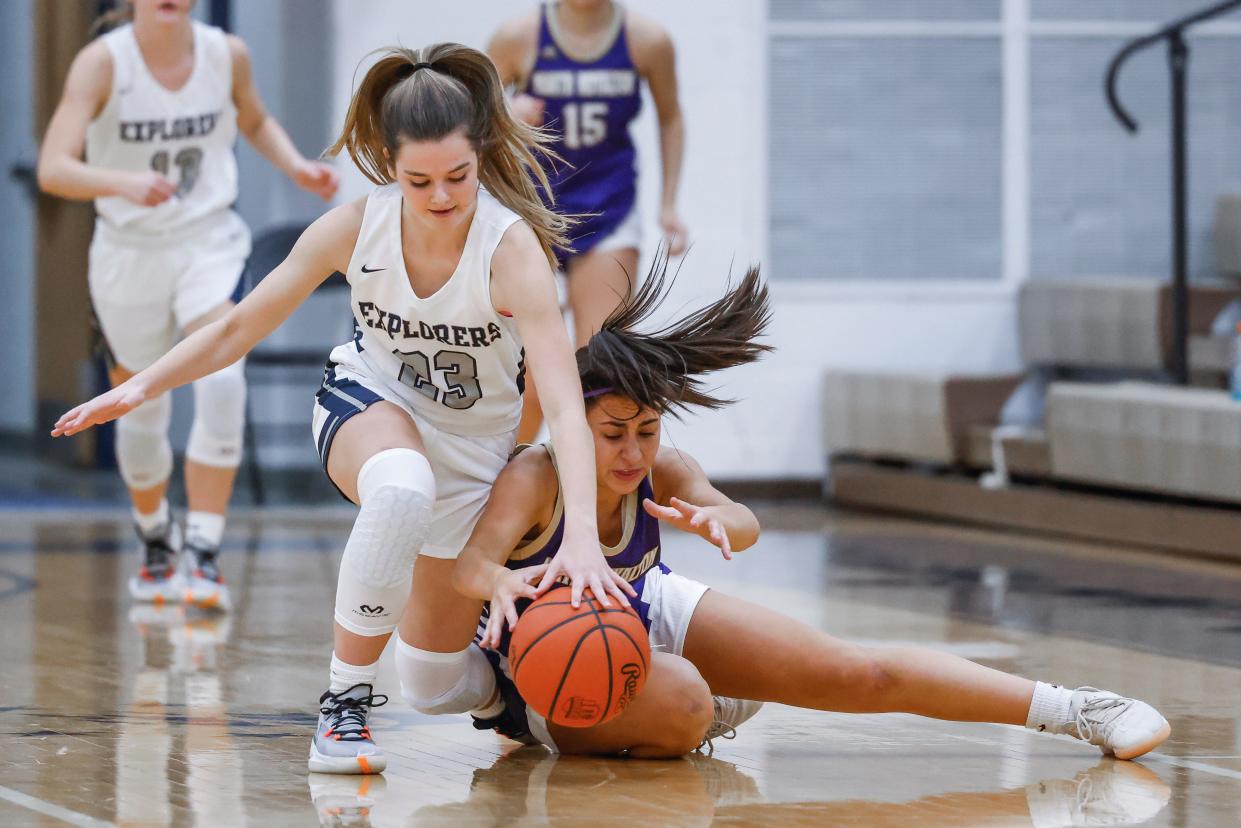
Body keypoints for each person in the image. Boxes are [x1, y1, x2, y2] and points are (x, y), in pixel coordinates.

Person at [52, 42, 635, 775]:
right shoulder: (355, 229)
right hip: (370, 401)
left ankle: (503, 689)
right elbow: (235, 327)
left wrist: (581, 535)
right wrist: (142, 385)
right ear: (387, 164)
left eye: (457, 176)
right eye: (418, 180)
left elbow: (559, 401)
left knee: (429, 679)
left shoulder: (510, 250)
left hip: (473, 446)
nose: (441, 197)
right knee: (399, 489)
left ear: (481, 156)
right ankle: (343, 705)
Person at [451, 260, 1173, 761]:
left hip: (645, 607)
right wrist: (503, 584)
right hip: (544, 668)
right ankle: (704, 702)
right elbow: (469, 568)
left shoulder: (659, 467)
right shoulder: (535, 478)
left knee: (854, 673)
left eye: (646, 430)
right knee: (684, 705)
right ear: (572, 423)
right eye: (613, 434)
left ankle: (1074, 709)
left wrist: (719, 521)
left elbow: (740, 521)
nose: (633, 451)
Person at [37, 0, 339, 612]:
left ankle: (203, 551)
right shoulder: (102, 63)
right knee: (139, 405)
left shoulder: (226, 54)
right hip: (128, 249)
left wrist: (296, 167)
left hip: (208, 240)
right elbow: (53, 168)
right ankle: (156, 541)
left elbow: (253, 121)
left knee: (223, 380)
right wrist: (120, 182)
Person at [488, 0, 687, 442]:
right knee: (535, 380)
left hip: (609, 208)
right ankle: (509, 493)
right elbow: (468, 122)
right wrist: (506, 116)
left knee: (600, 367)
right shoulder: (517, 36)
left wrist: (669, 202)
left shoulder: (647, 40)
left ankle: (592, 501)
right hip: (533, 215)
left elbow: (671, 117)